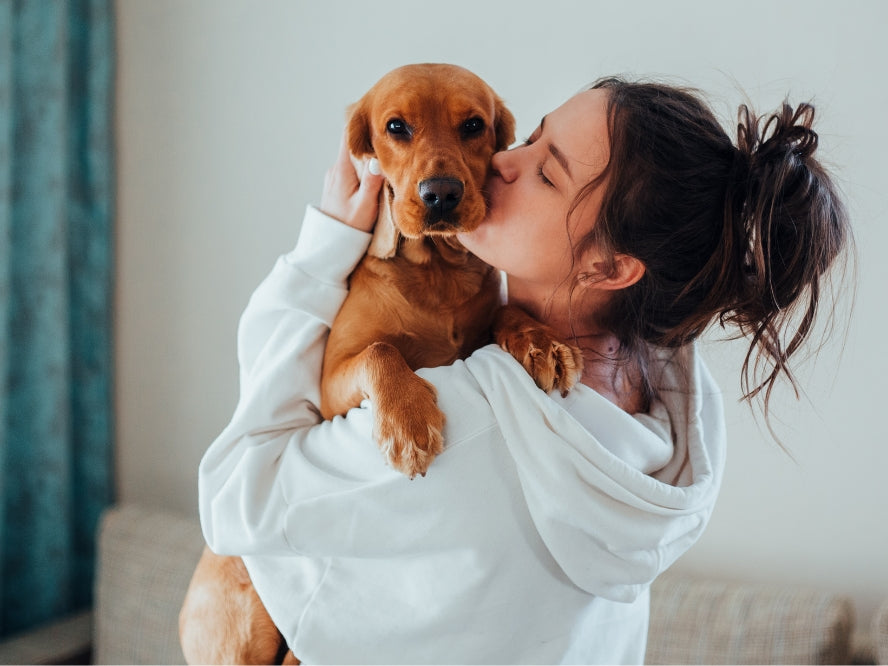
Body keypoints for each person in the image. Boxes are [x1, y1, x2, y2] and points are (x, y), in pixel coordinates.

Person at [198, 76, 851, 664]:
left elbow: (234, 499)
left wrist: (320, 254)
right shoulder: (674, 404)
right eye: (532, 136)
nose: (502, 162)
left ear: (610, 268)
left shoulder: (468, 423)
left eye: (547, 173)